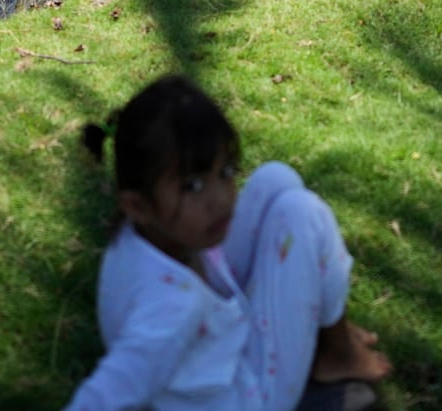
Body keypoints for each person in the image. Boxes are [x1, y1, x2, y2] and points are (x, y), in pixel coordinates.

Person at [63, 74, 391, 411]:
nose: (220, 198)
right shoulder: (171, 311)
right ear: (137, 205)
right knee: (304, 213)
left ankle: (328, 326)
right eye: (192, 186)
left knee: (274, 178)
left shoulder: (139, 234)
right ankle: (338, 353)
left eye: (226, 171)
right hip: (252, 396)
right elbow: (104, 394)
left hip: (219, 340)